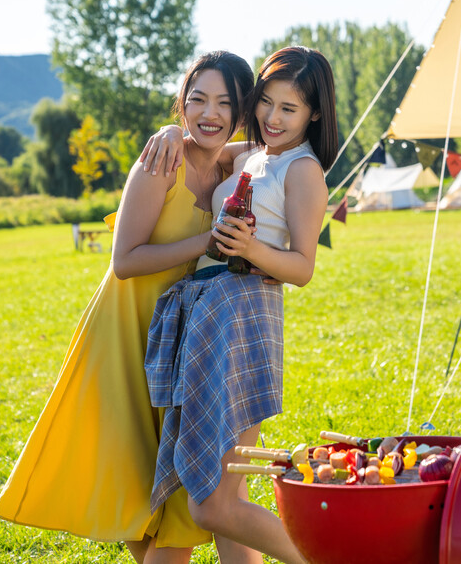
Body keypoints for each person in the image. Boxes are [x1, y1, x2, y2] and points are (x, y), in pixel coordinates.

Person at [0, 51, 260, 564]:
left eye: (225, 103)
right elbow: (124, 260)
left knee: (173, 487)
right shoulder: (161, 162)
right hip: (126, 335)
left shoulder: (230, 162)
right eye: (197, 98)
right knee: (142, 488)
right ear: (181, 103)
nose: (210, 113)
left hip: (183, 342)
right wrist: (207, 242)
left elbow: (282, 143)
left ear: (241, 110)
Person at [140, 46, 338, 564]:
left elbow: (303, 268)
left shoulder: (303, 170)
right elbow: (204, 147)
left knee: (212, 506)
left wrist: (251, 249)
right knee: (226, 496)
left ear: (314, 113)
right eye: (266, 103)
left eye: (289, 109)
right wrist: (169, 132)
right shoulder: (254, 154)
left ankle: (323, 556)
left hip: (245, 311)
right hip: (210, 312)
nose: (273, 118)